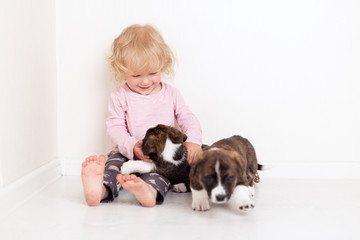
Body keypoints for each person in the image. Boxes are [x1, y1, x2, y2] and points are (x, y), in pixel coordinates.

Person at [81, 24, 202, 207]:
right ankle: (100, 190)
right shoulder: (120, 95)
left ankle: (148, 192)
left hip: (159, 158)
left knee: (162, 175)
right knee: (113, 166)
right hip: (126, 152)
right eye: (136, 75)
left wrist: (193, 141)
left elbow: (187, 118)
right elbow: (115, 128)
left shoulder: (171, 94)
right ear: (122, 71)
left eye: (153, 73)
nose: (145, 81)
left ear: (163, 66)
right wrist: (132, 147)